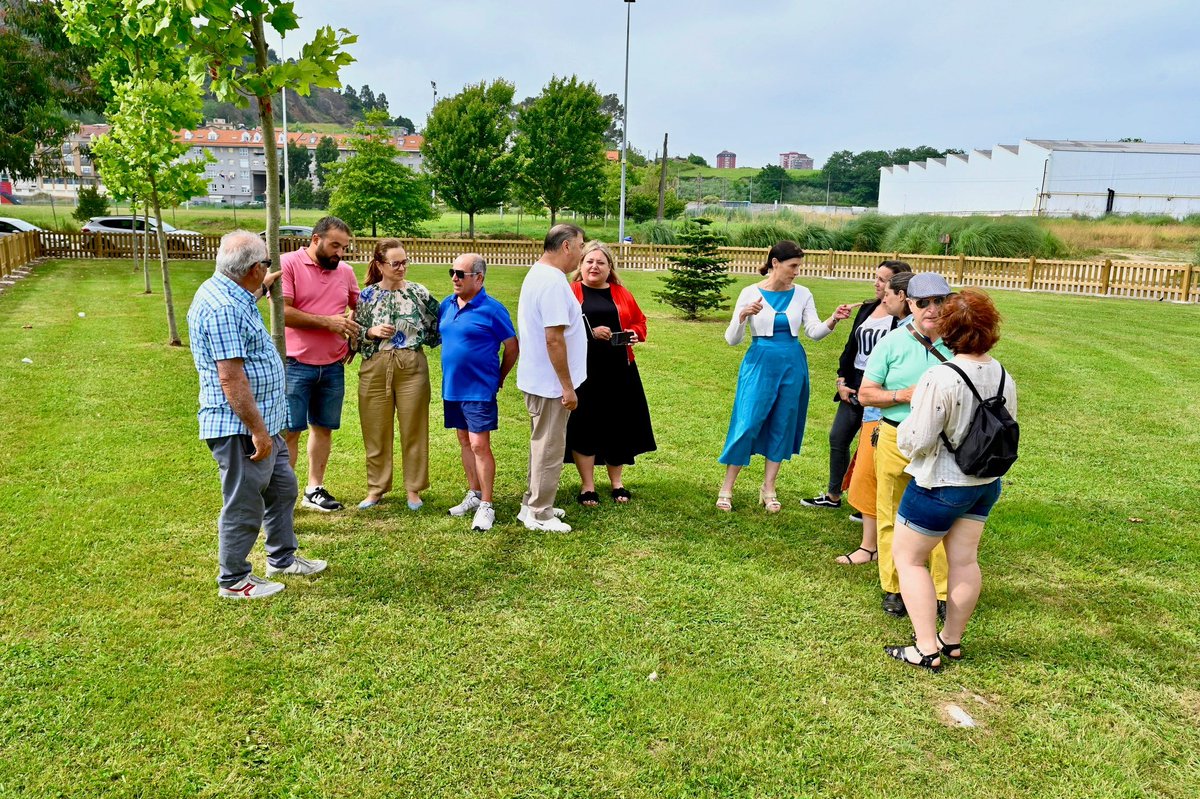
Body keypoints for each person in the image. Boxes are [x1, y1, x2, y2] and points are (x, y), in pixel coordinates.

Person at [187, 230, 327, 599]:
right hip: (242, 428)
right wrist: (259, 432)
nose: (268, 267)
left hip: (265, 421)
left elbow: (252, 291)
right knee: (244, 502)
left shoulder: (234, 291)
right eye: (265, 262)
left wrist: (264, 285)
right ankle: (233, 580)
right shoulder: (223, 309)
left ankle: (282, 557)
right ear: (250, 268)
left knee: (283, 488)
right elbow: (231, 378)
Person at [885, 288, 1017, 672]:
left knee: (909, 560)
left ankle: (925, 648)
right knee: (964, 561)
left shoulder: (939, 377)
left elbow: (917, 440)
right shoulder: (1003, 374)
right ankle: (951, 640)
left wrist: (906, 427)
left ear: (948, 331)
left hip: (939, 483)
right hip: (984, 483)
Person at [717, 240, 852, 512]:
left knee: (782, 423)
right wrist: (742, 315)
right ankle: (726, 488)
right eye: (793, 266)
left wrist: (833, 319)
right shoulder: (749, 292)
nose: (797, 271)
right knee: (748, 422)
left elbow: (813, 332)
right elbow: (732, 339)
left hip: (792, 362)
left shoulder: (803, 294)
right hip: (760, 362)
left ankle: (768, 488)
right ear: (775, 263)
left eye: (799, 266)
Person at [858, 272, 954, 618]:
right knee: (891, 514)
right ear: (909, 304)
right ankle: (894, 587)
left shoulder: (959, 342)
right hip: (895, 436)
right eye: (923, 302)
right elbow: (866, 393)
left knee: (942, 518)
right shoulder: (892, 343)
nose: (931, 309)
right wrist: (904, 395)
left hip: (944, 444)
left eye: (939, 301)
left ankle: (943, 592)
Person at [804, 260, 910, 513]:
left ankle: (869, 506)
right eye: (876, 277)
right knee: (838, 437)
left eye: (883, 280)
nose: (877, 283)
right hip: (855, 384)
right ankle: (833, 494)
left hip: (882, 387)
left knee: (872, 447)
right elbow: (851, 348)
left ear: (898, 288)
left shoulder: (904, 318)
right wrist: (842, 380)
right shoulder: (866, 309)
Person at [565, 241, 656, 505]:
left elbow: (640, 322)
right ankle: (588, 486)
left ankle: (617, 483)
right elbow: (561, 329)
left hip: (619, 371)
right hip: (584, 371)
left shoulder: (621, 293)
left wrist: (633, 334)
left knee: (618, 424)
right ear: (580, 266)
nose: (594, 266)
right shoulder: (571, 292)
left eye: (600, 262)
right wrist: (590, 333)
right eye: (589, 261)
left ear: (609, 267)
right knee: (585, 425)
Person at [353, 238, 440, 511]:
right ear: (380, 265)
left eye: (405, 261)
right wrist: (370, 332)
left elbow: (437, 327)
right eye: (396, 263)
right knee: (375, 430)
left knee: (414, 429)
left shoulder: (419, 293)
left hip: (411, 366)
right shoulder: (367, 296)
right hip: (375, 366)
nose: (402, 267)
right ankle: (376, 488)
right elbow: (353, 336)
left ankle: (413, 489)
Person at [280, 216, 360, 512]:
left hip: (333, 365)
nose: (340, 253)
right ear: (315, 240)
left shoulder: (346, 271)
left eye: (345, 247)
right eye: (335, 245)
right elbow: (283, 313)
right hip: (294, 363)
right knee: (290, 431)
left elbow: (359, 305)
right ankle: (282, 496)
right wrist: (328, 323)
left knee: (323, 427)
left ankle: (314, 489)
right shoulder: (288, 263)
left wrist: (355, 335)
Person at [837, 269, 915, 566]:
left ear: (902, 296)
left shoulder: (897, 336)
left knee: (870, 478)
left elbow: (872, 390)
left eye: (889, 290)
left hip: (883, 417)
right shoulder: (924, 333)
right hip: (899, 418)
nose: (883, 295)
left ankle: (871, 547)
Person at [439, 253, 519, 532]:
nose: (454, 278)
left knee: (479, 445)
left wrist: (498, 378)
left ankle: (486, 505)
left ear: (479, 278)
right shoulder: (446, 305)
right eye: (453, 272)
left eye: (461, 274)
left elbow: (512, 348)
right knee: (463, 441)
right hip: (452, 389)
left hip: (479, 390)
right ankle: (473, 494)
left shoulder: (493, 310)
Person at [515, 224, 588, 532]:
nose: (583, 252)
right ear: (567, 246)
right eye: (581, 245)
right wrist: (567, 386)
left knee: (541, 443)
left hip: (541, 380)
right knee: (549, 447)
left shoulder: (541, 274)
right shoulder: (552, 283)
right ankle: (539, 513)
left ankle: (531, 503)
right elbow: (554, 338)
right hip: (550, 385)